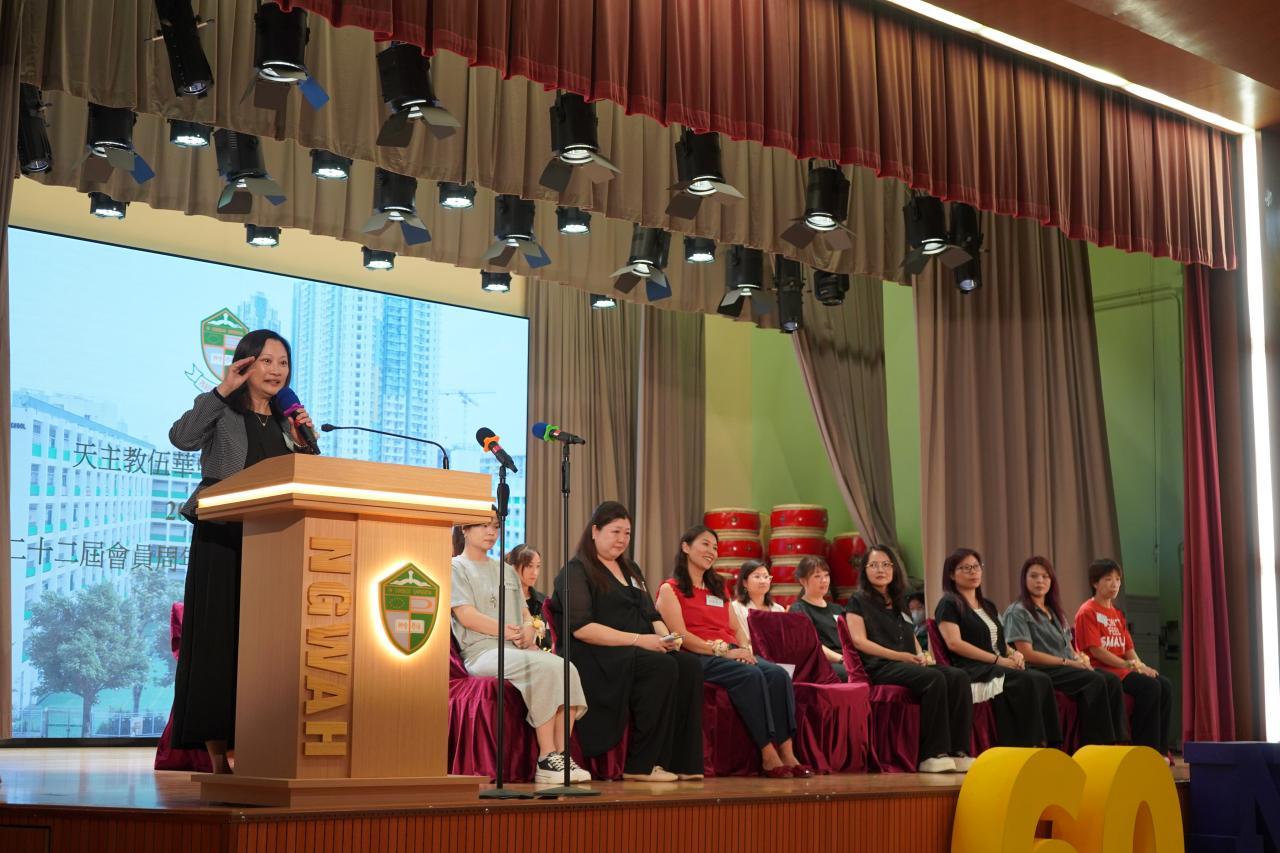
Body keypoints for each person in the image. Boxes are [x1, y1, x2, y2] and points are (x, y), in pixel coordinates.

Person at [168, 330, 316, 773]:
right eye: (267, 361)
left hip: (275, 543)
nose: (276, 370)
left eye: (283, 363)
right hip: (223, 538)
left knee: (269, 646)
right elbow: (181, 437)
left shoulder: (289, 422)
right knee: (218, 641)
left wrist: (305, 439)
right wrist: (222, 390)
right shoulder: (222, 410)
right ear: (245, 364)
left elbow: (309, 478)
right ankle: (219, 756)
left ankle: (264, 745)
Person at [549, 501, 704, 783]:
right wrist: (640, 640)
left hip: (638, 646)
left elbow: (650, 613)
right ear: (595, 531)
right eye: (615, 531)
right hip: (595, 652)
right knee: (661, 667)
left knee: (689, 665)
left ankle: (680, 761)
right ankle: (641, 765)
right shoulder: (576, 571)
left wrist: (666, 638)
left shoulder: (630, 568)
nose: (622, 539)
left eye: (627, 533)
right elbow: (582, 628)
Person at [655, 527, 811, 778]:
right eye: (705, 544)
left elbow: (737, 628)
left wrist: (744, 649)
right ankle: (767, 754)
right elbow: (680, 635)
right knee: (751, 675)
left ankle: (787, 751)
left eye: (715, 547)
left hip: (730, 651)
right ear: (685, 547)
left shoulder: (718, 588)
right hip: (699, 654)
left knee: (778, 675)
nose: (711, 551)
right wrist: (722, 651)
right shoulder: (670, 589)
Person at [451, 520, 589, 784]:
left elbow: (526, 614)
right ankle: (546, 758)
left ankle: (562, 755)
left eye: (495, 526)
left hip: (514, 647)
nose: (491, 532)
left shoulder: (506, 571)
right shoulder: (456, 567)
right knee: (543, 667)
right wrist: (506, 630)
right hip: (482, 651)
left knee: (567, 668)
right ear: (465, 530)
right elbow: (466, 616)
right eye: (483, 526)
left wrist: (528, 628)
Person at [845, 545, 975, 773]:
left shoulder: (899, 600)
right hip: (880, 666)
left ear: (894, 569)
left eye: (886, 564)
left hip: (906, 663)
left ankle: (959, 750)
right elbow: (859, 642)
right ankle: (932, 754)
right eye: (874, 565)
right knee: (934, 679)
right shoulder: (858, 600)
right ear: (864, 570)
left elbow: (910, 635)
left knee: (958, 676)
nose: (880, 570)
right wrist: (901, 656)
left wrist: (921, 655)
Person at [934, 548, 1062, 748]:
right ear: (951, 574)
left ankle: (1052, 744)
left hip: (997, 663)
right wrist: (998, 660)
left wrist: (1014, 654)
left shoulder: (988, 605)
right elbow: (954, 643)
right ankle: (1026, 745)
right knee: (1026, 681)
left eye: (976, 567)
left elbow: (1000, 643)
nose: (973, 572)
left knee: (1042, 679)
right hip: (972, 667)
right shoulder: (948, 603)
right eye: (966, 568)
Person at [1003, 557, 1128, 747]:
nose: (1040, 581)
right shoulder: (1018, 611)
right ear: (1024, 580)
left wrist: (1080, 658)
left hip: (1066, 666)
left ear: (1051, 581)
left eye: (1045, 576)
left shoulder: (1055, 612)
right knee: (1094, 680)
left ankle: (1119, 742)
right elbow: (1027, 654)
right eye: (1034, 576)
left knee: (1111, 680)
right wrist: (1069, 662)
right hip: (1041, 668)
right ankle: (1095, 745)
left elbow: (1069, 646)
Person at [1074, 558, 1173, 756]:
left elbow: (1128, 648)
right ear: (1095, 583)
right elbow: (1096, 650)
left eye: (1118, 579)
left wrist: (1141, 666)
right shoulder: (1087, 611)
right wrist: (1130, 666)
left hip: (1124, 668)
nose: (1114, 584)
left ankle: (1161, 751)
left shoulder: (1117, 613)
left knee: (1164, 684)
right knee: (1150, 687)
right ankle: (1144, 750)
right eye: (1108, 579)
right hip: (1103, 670)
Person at [788, 556, 849, 679]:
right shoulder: (798, 609)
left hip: (845, 658)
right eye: (817, 576)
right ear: (803, 581)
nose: (824, 580)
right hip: (820, 662)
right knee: (849, 673)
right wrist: (842, 659)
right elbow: (812, 644)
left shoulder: (837, 609)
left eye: (826, 575)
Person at [509, 543, 551, 651]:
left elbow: (548, 641)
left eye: (538, 566)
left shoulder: (543, 601)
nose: (535, 572)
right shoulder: (505, 600)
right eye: (529, 566)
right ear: (513, 567)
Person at [730, 559, 785, 629]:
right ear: (745, 583)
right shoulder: (735, 608)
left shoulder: (779, 609)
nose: (763, 581)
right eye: (757, 576)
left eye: (766, 577)